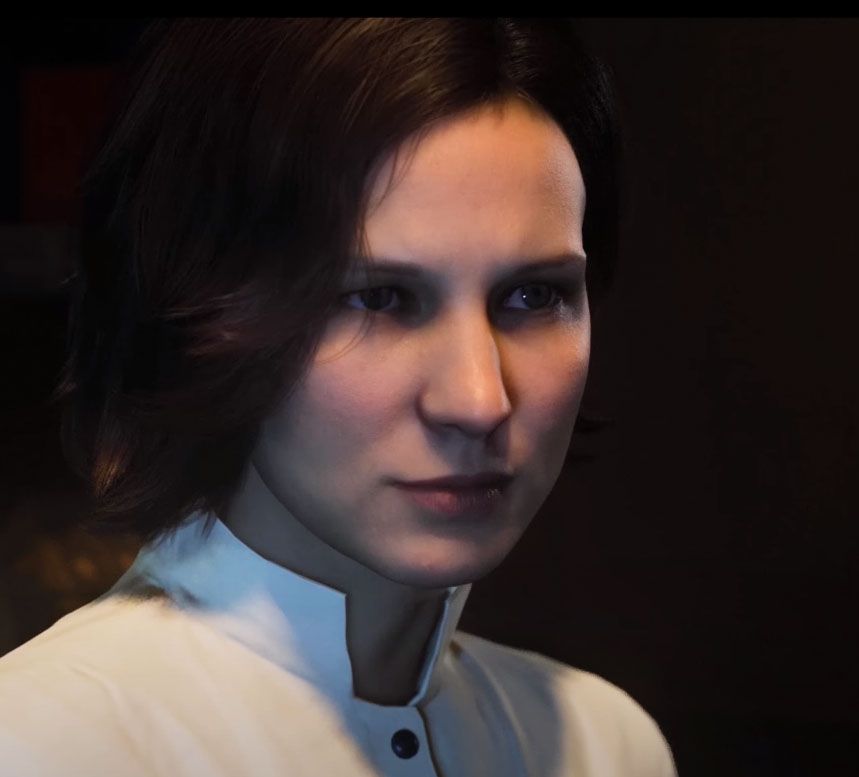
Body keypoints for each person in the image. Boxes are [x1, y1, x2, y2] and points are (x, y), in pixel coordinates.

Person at [0, 17, 678, 777]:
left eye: (533, 295)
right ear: (205, 308)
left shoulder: (604, 745)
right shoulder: (42, 746)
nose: (479, 400)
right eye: (378, 298)